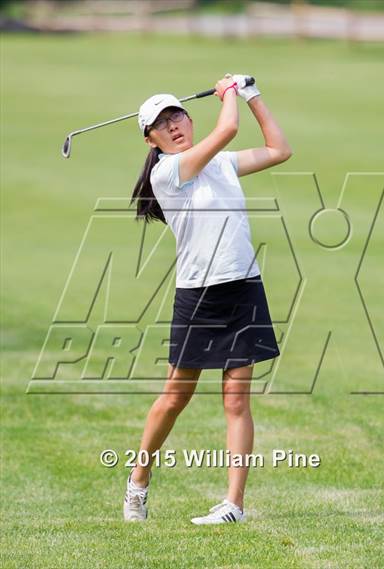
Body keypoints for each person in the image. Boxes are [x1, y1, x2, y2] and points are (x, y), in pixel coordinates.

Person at [125, 73, 292, 525]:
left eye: (177, 115)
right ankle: (139, 477)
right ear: (151, 140)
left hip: (243, 286)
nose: (174, 125)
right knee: (176, 396)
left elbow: (280, 150)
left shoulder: (221, 164)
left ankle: (234, 505)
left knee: (237, 400)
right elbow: (227, 130)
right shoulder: (167, 172)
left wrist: (253, 95)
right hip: (198, 295)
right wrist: (230, 93)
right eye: (162, 124)